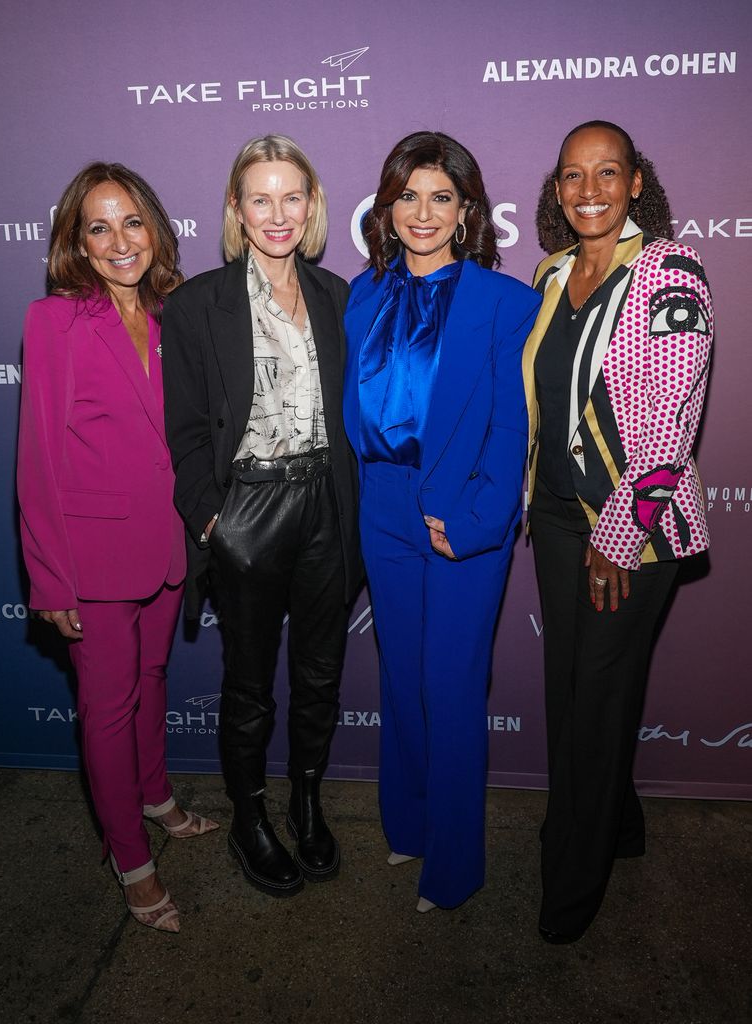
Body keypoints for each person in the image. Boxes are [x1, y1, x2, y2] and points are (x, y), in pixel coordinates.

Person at [17, 163, 220, 934]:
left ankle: (157, 796)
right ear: (76, 242)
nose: (119, 240)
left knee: (152, 678)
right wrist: (50, 578)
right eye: (97, 227)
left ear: (156, 228)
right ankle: (131, 862)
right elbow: (37, 458)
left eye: (131, 221)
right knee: (106, 710)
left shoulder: (178, 314)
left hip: (166, 543)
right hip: (91, 557)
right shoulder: (55, 321)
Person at [524, 121, 713, 943]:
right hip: (559, 520)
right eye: (573, 175)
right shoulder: (554, 270)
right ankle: (616, 827)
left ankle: (572, 883)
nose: (589, 189)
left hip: (630, 527)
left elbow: (673, 420)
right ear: (557, 188)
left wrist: (619, 530)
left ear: (636, 181)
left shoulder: (670, 271)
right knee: (572, 689)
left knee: (595, 702)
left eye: (607, 173)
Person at [343, 131, 541, 912]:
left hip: (458, 514)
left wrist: (474, 519)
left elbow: (511, 426)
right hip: (380, 506)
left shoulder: (505, 301)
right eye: (407, 196)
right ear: (386, 208)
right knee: (399, 676)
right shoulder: (364, 292)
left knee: (451, 686)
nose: (421, 213)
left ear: (466, 212)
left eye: (440, 197)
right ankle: (411, 825)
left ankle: (454, 869)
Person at [162, 135, 359, 898]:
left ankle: (306, 803)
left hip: (325, 507)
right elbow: (182, 432)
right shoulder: (196, 305)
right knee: (248, 685)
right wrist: (211, 519)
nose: (277, 213)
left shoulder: (340, 296)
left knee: (319, 674)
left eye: (291, 196)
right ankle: (249, 818)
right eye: (259, 198)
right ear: (236, 210)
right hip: (245, 506)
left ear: (310, 205)